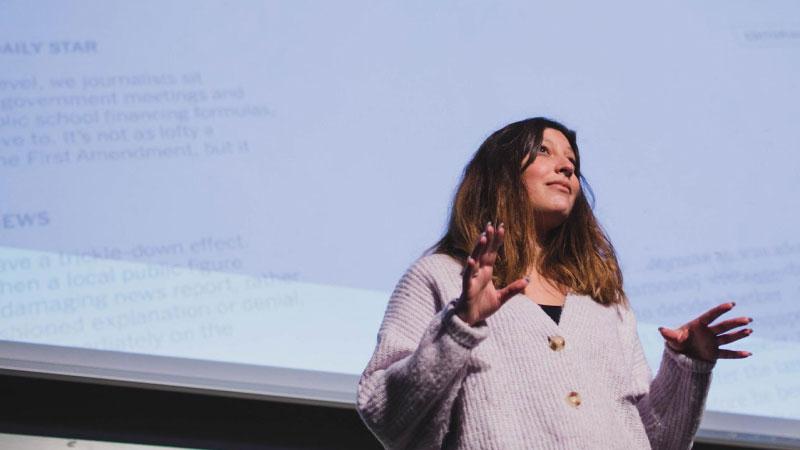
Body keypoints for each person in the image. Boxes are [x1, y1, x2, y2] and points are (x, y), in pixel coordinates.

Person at [356, 117, 753, 449]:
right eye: (545, 152)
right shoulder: (440, 277)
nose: (566, 167)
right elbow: (385, 414)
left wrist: (688, 367)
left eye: (573, 162)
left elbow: (651, 440)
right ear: (501, 173)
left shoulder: (603, 300)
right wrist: (459, 327)